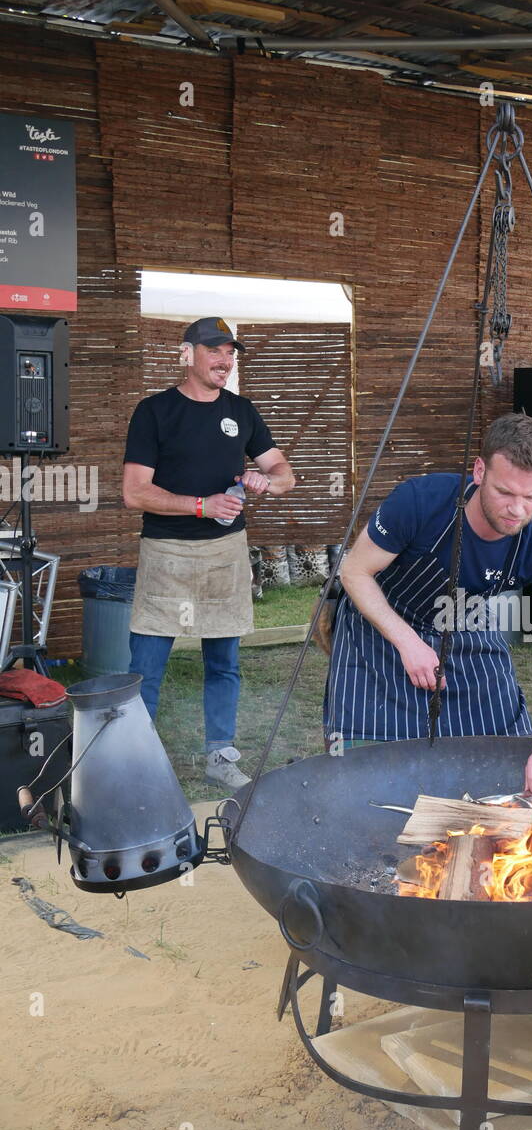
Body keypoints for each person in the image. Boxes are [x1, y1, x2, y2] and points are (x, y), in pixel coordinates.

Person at [326, 412, 532, 793]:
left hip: (465, 624)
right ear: (479, 471)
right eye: (505, 493)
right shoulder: (419, 502)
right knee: (371, 773)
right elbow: (353, 572)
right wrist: (407, 642)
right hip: (381, 627)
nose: (518, 509)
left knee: (503, 757)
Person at [122, 316, 295, 791]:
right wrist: (200, 505)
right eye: (215, 351)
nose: (225, 360)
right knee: (146, 667)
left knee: (224, 663)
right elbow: (135, 493)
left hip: (225, 554)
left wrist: (267, 480)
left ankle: (220, 755)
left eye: (230, 353)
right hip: (166, 553)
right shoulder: (154, 411)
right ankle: (138, 761)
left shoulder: (242, 411)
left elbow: (284, 472)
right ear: (187, 354)